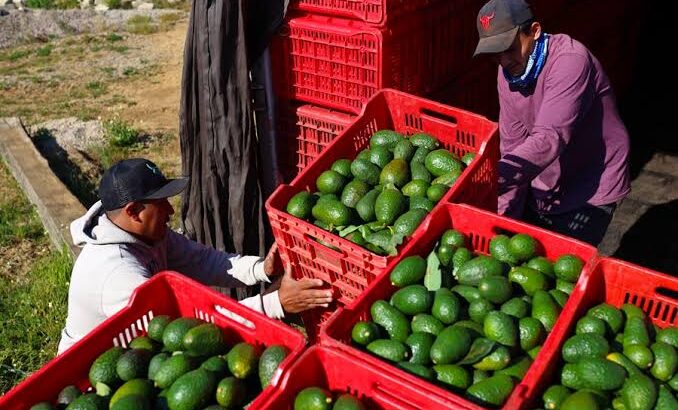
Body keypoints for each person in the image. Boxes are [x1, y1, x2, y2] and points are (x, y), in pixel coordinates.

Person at [57, 158, 332, 354]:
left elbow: (202, 261)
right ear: (133, 211)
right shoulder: (117, 274)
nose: (170, 210)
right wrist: (276, 304)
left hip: (141, 354)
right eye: (161, 202)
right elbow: (188, 333)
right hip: (94, 376)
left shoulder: (149, 235)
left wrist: (262, 269)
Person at [473, 0, 631, 246]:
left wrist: (491, 178)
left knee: (567, 265)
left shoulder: (570, 60)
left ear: (535, 31)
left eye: (509, 48)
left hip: (593, 178)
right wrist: (503, 221)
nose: (504, 61)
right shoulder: (508, 73)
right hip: (546, 177)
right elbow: (513, 145)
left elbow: (550, 137)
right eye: (495, 54)